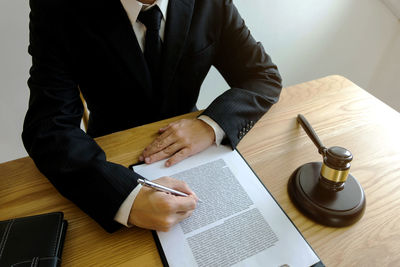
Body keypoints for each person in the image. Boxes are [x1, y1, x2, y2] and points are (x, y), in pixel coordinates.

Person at [22, 0, 282, 233]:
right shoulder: (55, 7)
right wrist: (125, 198)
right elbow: (47, 126)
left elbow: (263, 77)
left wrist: (210, 126)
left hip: (195, 150)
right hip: (108, 157)